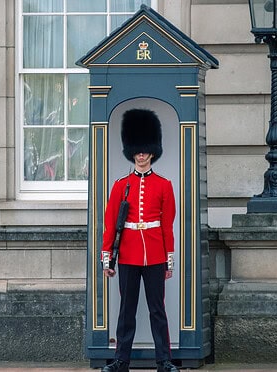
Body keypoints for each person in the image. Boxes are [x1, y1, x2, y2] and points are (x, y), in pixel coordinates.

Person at [100, 109, 178, 372]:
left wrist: (169, 261)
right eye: (137, 150)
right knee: (126, 310)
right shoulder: (121, 185)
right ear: (131, 151)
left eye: (145, 150)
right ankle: (122, 360)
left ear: (152, 151)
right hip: (129, 254)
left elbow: (167, 226)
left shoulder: (164, 185)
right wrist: (107, 259)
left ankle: (163, 360)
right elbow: (110, 225)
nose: (141, 154)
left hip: (155, 254)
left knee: (157, 310)